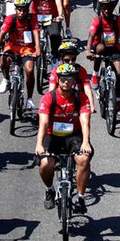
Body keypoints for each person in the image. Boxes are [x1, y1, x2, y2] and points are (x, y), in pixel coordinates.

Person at [36, 63, 94, 215]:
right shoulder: (49, 98)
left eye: (69, 79)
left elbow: (85, 121)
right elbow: (43, 122)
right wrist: (39, 144)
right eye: (63, 79)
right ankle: (50, 190)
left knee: (83, 160)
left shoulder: (80, 98)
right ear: (58, 80)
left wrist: (86, 141)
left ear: (74, 81)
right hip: (52, 136)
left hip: (73, 136)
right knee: (45, 164)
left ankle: (80, 197)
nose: (66, 82)